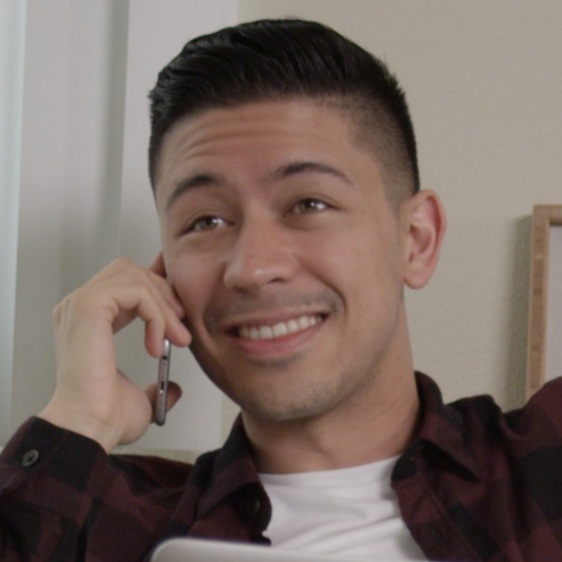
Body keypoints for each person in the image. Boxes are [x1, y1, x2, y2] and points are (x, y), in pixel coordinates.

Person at [1, 18, 561, 562]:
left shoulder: (544, 465)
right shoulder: (98, 526)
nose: (251, 268)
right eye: (205, 221)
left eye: (308, 204)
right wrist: (78, 418)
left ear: (416, 241)